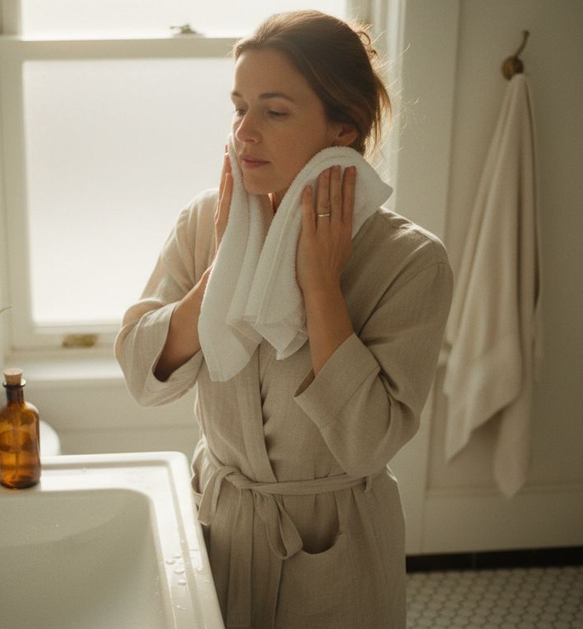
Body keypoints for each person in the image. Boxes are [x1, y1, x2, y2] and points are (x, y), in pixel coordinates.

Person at [115, 10, 453, 629]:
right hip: (217, 526)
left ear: (342, 129)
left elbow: (369, 442)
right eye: (238, 107)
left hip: (334, 545)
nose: (243, 133)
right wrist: (223, 267)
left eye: (274, 112)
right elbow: (142, 373)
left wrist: (321, 285)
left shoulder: (411, 262)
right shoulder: (204, 223)